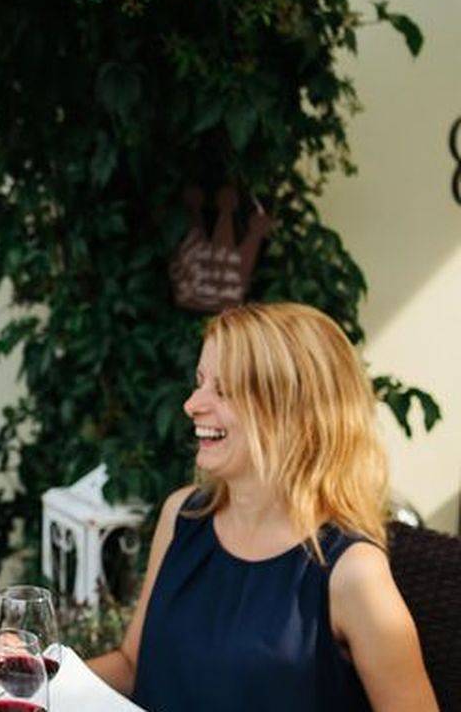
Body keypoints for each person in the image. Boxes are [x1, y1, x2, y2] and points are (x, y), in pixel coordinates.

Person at [87, 302, 439, 711]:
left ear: (295, 413)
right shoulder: (182, 515)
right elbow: (132, 666)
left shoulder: (353, 572)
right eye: (201, 382)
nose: (191, 404)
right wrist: (32, 676)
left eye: (223, 390)